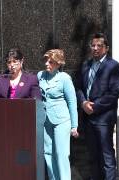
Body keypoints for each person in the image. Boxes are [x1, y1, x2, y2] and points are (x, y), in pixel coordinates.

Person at [76, 33, 119, 180]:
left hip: (103, 118)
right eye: (93, 45)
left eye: (99, 45)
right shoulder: (85, 65)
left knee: (107, 155)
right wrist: (83, 102)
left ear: (106, 48)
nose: (95, 48)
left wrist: (94, 107)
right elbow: (78, 87)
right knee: (92, 155)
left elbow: (114, 93)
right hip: (88, 117)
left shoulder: (114, 66)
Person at [37, 49, 79, 180]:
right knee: (48, 153)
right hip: (44, 120)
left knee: (61, 154)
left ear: (58, 63)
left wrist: (74, 125)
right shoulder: (40, 76)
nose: (47, 64)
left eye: (51, 62)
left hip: (61, 120)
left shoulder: (64, 78)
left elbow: (72, 101)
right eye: (46, 61)